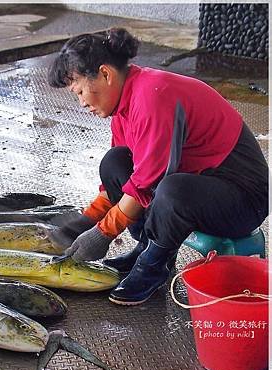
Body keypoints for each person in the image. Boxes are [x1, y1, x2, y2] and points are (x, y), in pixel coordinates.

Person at [48, 28, 269, 305]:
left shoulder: (153, 96)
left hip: (244, 200)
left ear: (105, 74)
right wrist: (87, 219)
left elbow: (145, 184)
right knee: (115, 161)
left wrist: (103, 233)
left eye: (79, 91)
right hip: (202, 185)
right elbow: (127, 176)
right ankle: (146, 248)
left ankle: (154, 266)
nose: (81, 102)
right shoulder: (125, 106)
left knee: (172, 190)